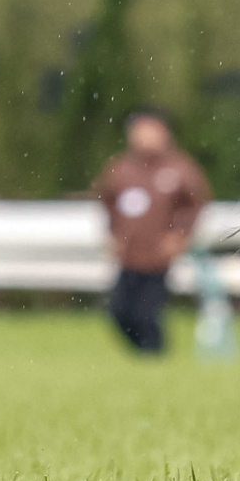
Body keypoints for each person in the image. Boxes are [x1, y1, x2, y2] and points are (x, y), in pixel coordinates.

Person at [91, 109, 211, 355]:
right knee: (119, 311)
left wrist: (180, 236)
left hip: (158, 258)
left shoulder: (179, 168)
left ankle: (154, 357)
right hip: (128, 254)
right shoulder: (121, 168)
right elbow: (107, 202)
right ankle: (144, 356)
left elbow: (196, 204)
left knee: (147, 314)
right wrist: (113, 234)